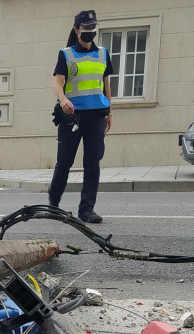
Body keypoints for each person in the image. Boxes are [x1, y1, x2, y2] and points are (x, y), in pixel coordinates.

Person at [47, 10, 114, 223]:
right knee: (64, 162)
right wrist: (63, 99)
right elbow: (57, 82)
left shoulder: (103, 53)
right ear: (77, 29)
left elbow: (106, 85)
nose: (90, 31)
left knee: (92, 163)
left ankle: (86, 209)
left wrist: (109, 111)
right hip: (71, 116)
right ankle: (54, 205)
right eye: (86, 28)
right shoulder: (66, 54)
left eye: (93, 27)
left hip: (96, 116)